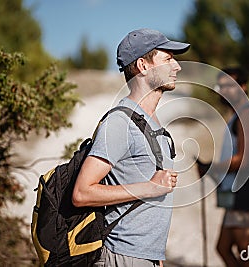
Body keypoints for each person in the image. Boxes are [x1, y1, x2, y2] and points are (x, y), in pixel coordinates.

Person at [72, 28, 190, 267]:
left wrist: (156, 258)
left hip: (145, 257)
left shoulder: (151, 121)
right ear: (143, 66)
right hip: (123, 256)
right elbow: (82, 193)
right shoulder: (120, 123)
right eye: (167, 59)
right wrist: (149, 187)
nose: (176, 66)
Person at [197, 67, 249, 267]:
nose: (224, 90)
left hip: (243, 191)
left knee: (245, 251)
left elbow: (244, 159)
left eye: (230, 86)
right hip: (235, 193)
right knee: (223, 248)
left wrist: (212, 168)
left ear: (244, 87)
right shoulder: (236, 115)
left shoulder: (246, 115)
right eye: (221, 86)